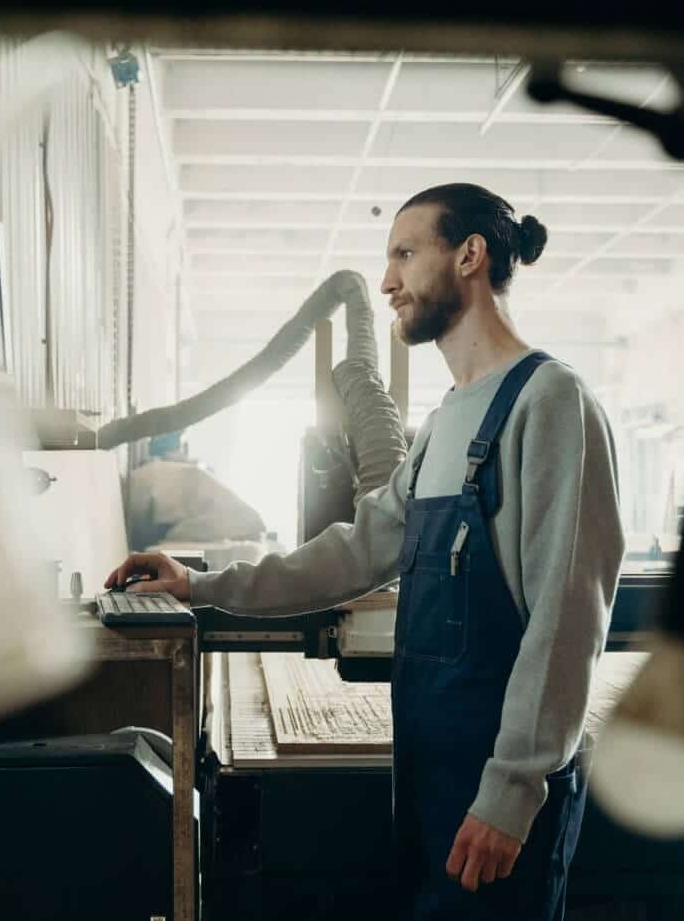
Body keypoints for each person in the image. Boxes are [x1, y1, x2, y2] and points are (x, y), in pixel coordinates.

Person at [106, 183, 624, 920]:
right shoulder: (446, 419)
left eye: (405, 254)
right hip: (430, 776)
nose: (386, 282)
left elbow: (567, 616)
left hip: (495, 789)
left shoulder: (550, 401)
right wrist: (203, 582)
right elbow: (357, 550)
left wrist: (513, 789)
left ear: (469, 255)